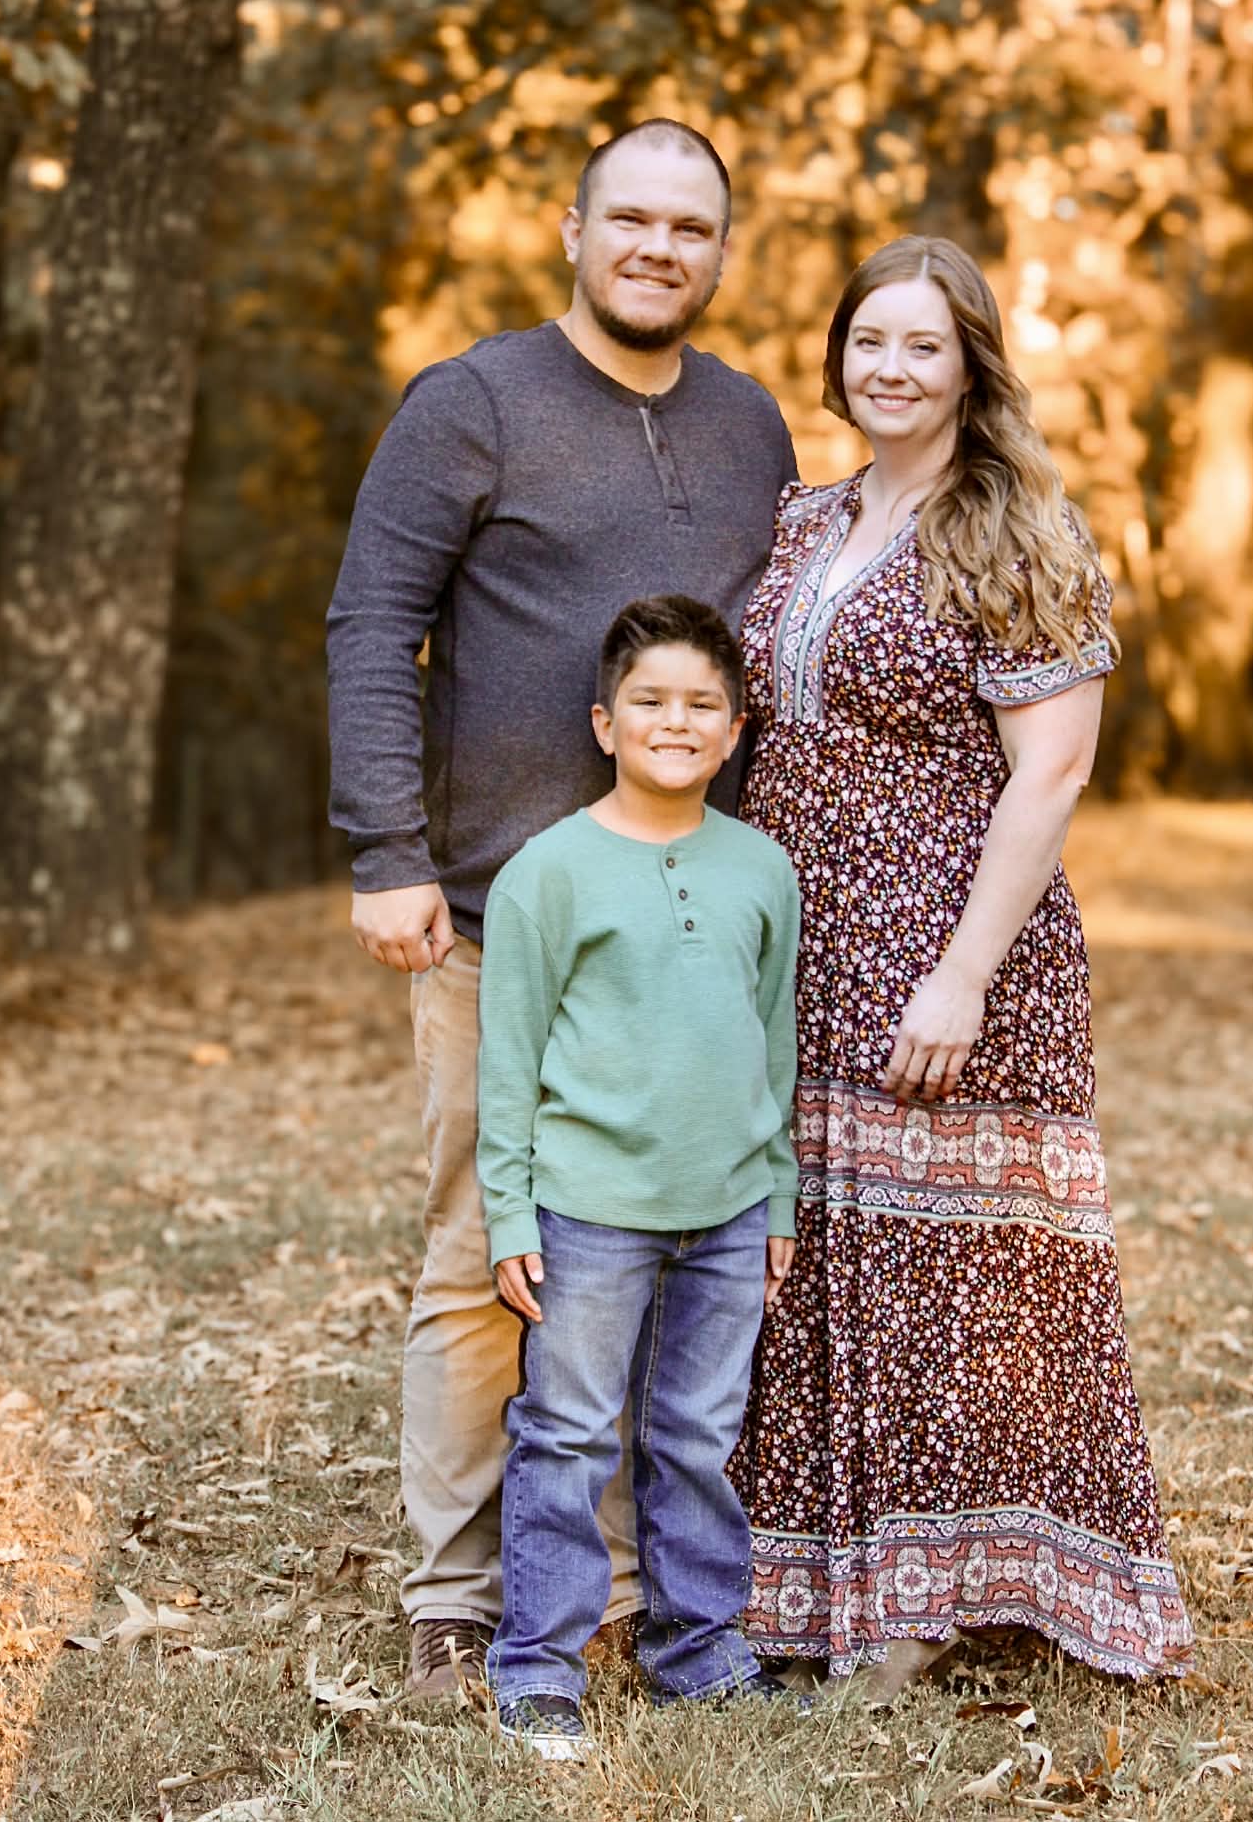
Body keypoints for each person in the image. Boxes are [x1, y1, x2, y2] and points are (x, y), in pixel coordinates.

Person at [325, 121, 796, 1700]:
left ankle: (622, 1586)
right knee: (489, 1250)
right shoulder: (472, 402)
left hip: (684, 933)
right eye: (631, 218)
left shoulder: (747, 422)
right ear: (572, 228)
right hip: (496, 918)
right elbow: (372, 619)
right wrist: (384, 846)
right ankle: (456, 1592)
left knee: (660, 1257)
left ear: (718, 250)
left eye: (690, 226)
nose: (659, 247)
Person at [728, 236, 1195, 1701]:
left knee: (954, 1278)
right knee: (820, 1264)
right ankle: (814, 1585)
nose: (889, 367)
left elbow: (1051, 773)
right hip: (804, 945)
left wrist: (963, 973)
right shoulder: (806, 518)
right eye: (867, 340)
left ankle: (927, 1605)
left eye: (921, 345)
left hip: (949, 938)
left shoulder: (1016, 528)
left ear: (970, 365)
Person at [476, 595, 801, 1758]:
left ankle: (698, 1652)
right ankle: (537, 1666)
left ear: (735, 729)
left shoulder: (760, 869)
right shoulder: (546, 874)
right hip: (589, 1209)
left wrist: (776, 1192)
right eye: (650, 701)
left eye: (702, 704)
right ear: (604, 724)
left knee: (697, 1436)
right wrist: (509, 1211)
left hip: (728, 1209)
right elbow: (507, 1061)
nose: (676, 721)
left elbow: (772, 1044)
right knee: (566, 1434)